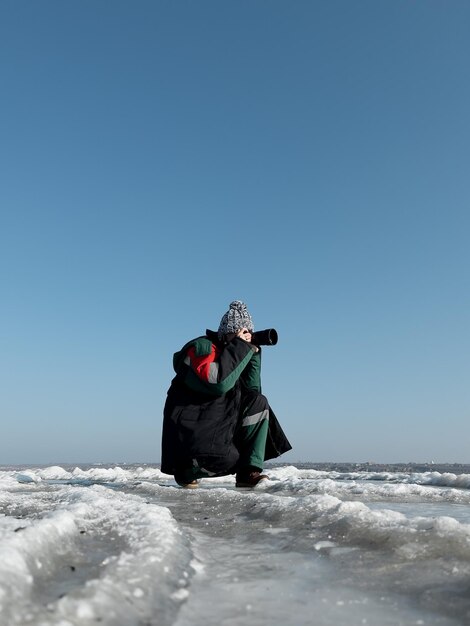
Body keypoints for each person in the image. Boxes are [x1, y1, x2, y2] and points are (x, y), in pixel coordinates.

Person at [161, 300, 292, 488]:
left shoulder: (234, 354)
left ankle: (248, 473)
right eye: (240, 332)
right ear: (226, 333)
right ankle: (186, 471)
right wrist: (239, 347)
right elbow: (218, 383)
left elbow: (251, 393)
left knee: (258, 401)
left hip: (216, 431)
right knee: (227, 458)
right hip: (192, 438)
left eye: (249, 332)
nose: (246, 336)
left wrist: (252, 355)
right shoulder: (202, 348)